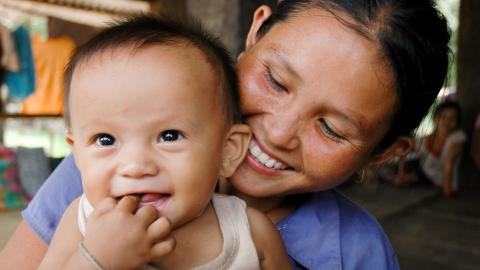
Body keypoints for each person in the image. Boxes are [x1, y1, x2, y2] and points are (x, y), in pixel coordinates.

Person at [0, 0, 451, 269]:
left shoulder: (355, 253)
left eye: (331, 128)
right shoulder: (101, 179)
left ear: (384, 153)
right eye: (275, 80)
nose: (275, 132)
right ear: (255, 29)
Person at [36, 15, 290, 270]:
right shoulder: (81, 221)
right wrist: (95, 260)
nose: (135, 166)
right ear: (77, 153)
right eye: (105, 140)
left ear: (227, 151)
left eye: (169, 136)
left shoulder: (251, 234)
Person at [416, 101, 466, 197]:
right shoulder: (424, 139)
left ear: (457, 122)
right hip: (425, 176)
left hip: (445, 184)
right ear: (435, 118)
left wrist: (447, 193)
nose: (447, 121)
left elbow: (449, 163)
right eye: (443, 116)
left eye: (452, 118)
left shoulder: (457, 138)